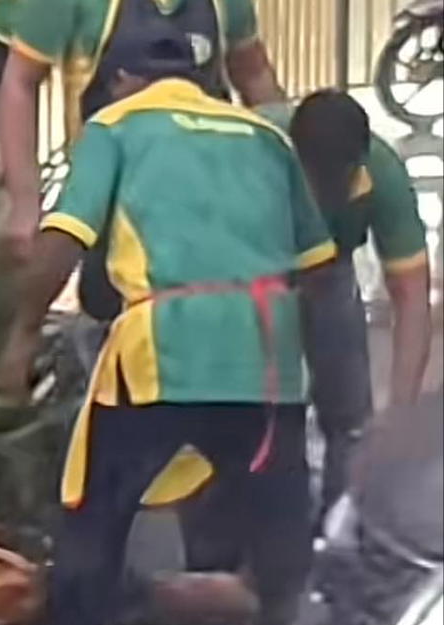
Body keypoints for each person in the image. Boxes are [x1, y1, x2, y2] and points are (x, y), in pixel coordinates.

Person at [0, 34, 335, 625]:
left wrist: (21, 336)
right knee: (281, 532)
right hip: (267, 359)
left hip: (163, 352)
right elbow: (321, 266)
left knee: (93, 517)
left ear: (121, 78)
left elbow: (65, 238)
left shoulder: (117, 125)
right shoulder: (265, 135)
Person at [0, 0, 282, 263]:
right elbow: (19, 83)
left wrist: (285, 167)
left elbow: (255, 75)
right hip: (116, 202)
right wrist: (24, 201)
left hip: (213, 193)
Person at [181, 88, 431, 567]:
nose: (326, 194)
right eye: (316, 183)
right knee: (240, 415)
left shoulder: (379, 175)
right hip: (238, 272)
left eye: (337, 184)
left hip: (328, 274)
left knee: (353, 419)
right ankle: (215, 556)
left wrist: (400, 412)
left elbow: (412, 295)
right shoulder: (244, 158)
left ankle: (336, 546)